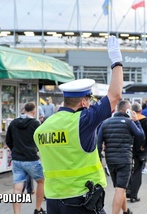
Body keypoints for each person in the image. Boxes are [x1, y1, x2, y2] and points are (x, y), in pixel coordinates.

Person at [33, 35, 123, 214]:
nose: (90, 104)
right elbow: (115, 96)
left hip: (53, 201)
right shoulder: (82, 121)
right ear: (83, 102)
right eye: (89, 100)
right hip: (81, 200)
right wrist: (117, 61)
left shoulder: (42, 128)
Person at [97, 100, 144, 214]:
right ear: (126, 110)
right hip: (124, 160)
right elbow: (140, 136)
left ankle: (126, 211)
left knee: (119, 188)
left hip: (110, 161)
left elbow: (98, 143)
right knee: (120, 189)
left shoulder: (105, 123)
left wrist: (99, 159)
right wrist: (136, 121)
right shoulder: (129, 122)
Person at [6, 102, 45, 214]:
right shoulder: (35, 123)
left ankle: (16, 213)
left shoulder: (13, 123)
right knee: (41, 182)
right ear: (33, 112)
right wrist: (35, 149)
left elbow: (8, 140)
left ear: (24, 110)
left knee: (17, 188)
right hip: (31, 158)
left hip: (17, 160)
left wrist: (16, 150)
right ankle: (38, 209)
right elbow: (40, 140)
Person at [127, 102, 147, 202]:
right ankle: (133, 195)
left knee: (129, 170)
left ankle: (128, 191)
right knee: (138, 171)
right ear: (141, 110)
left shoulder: (128, 120)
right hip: (141, 149)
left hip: (129, 148)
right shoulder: (144, 120)